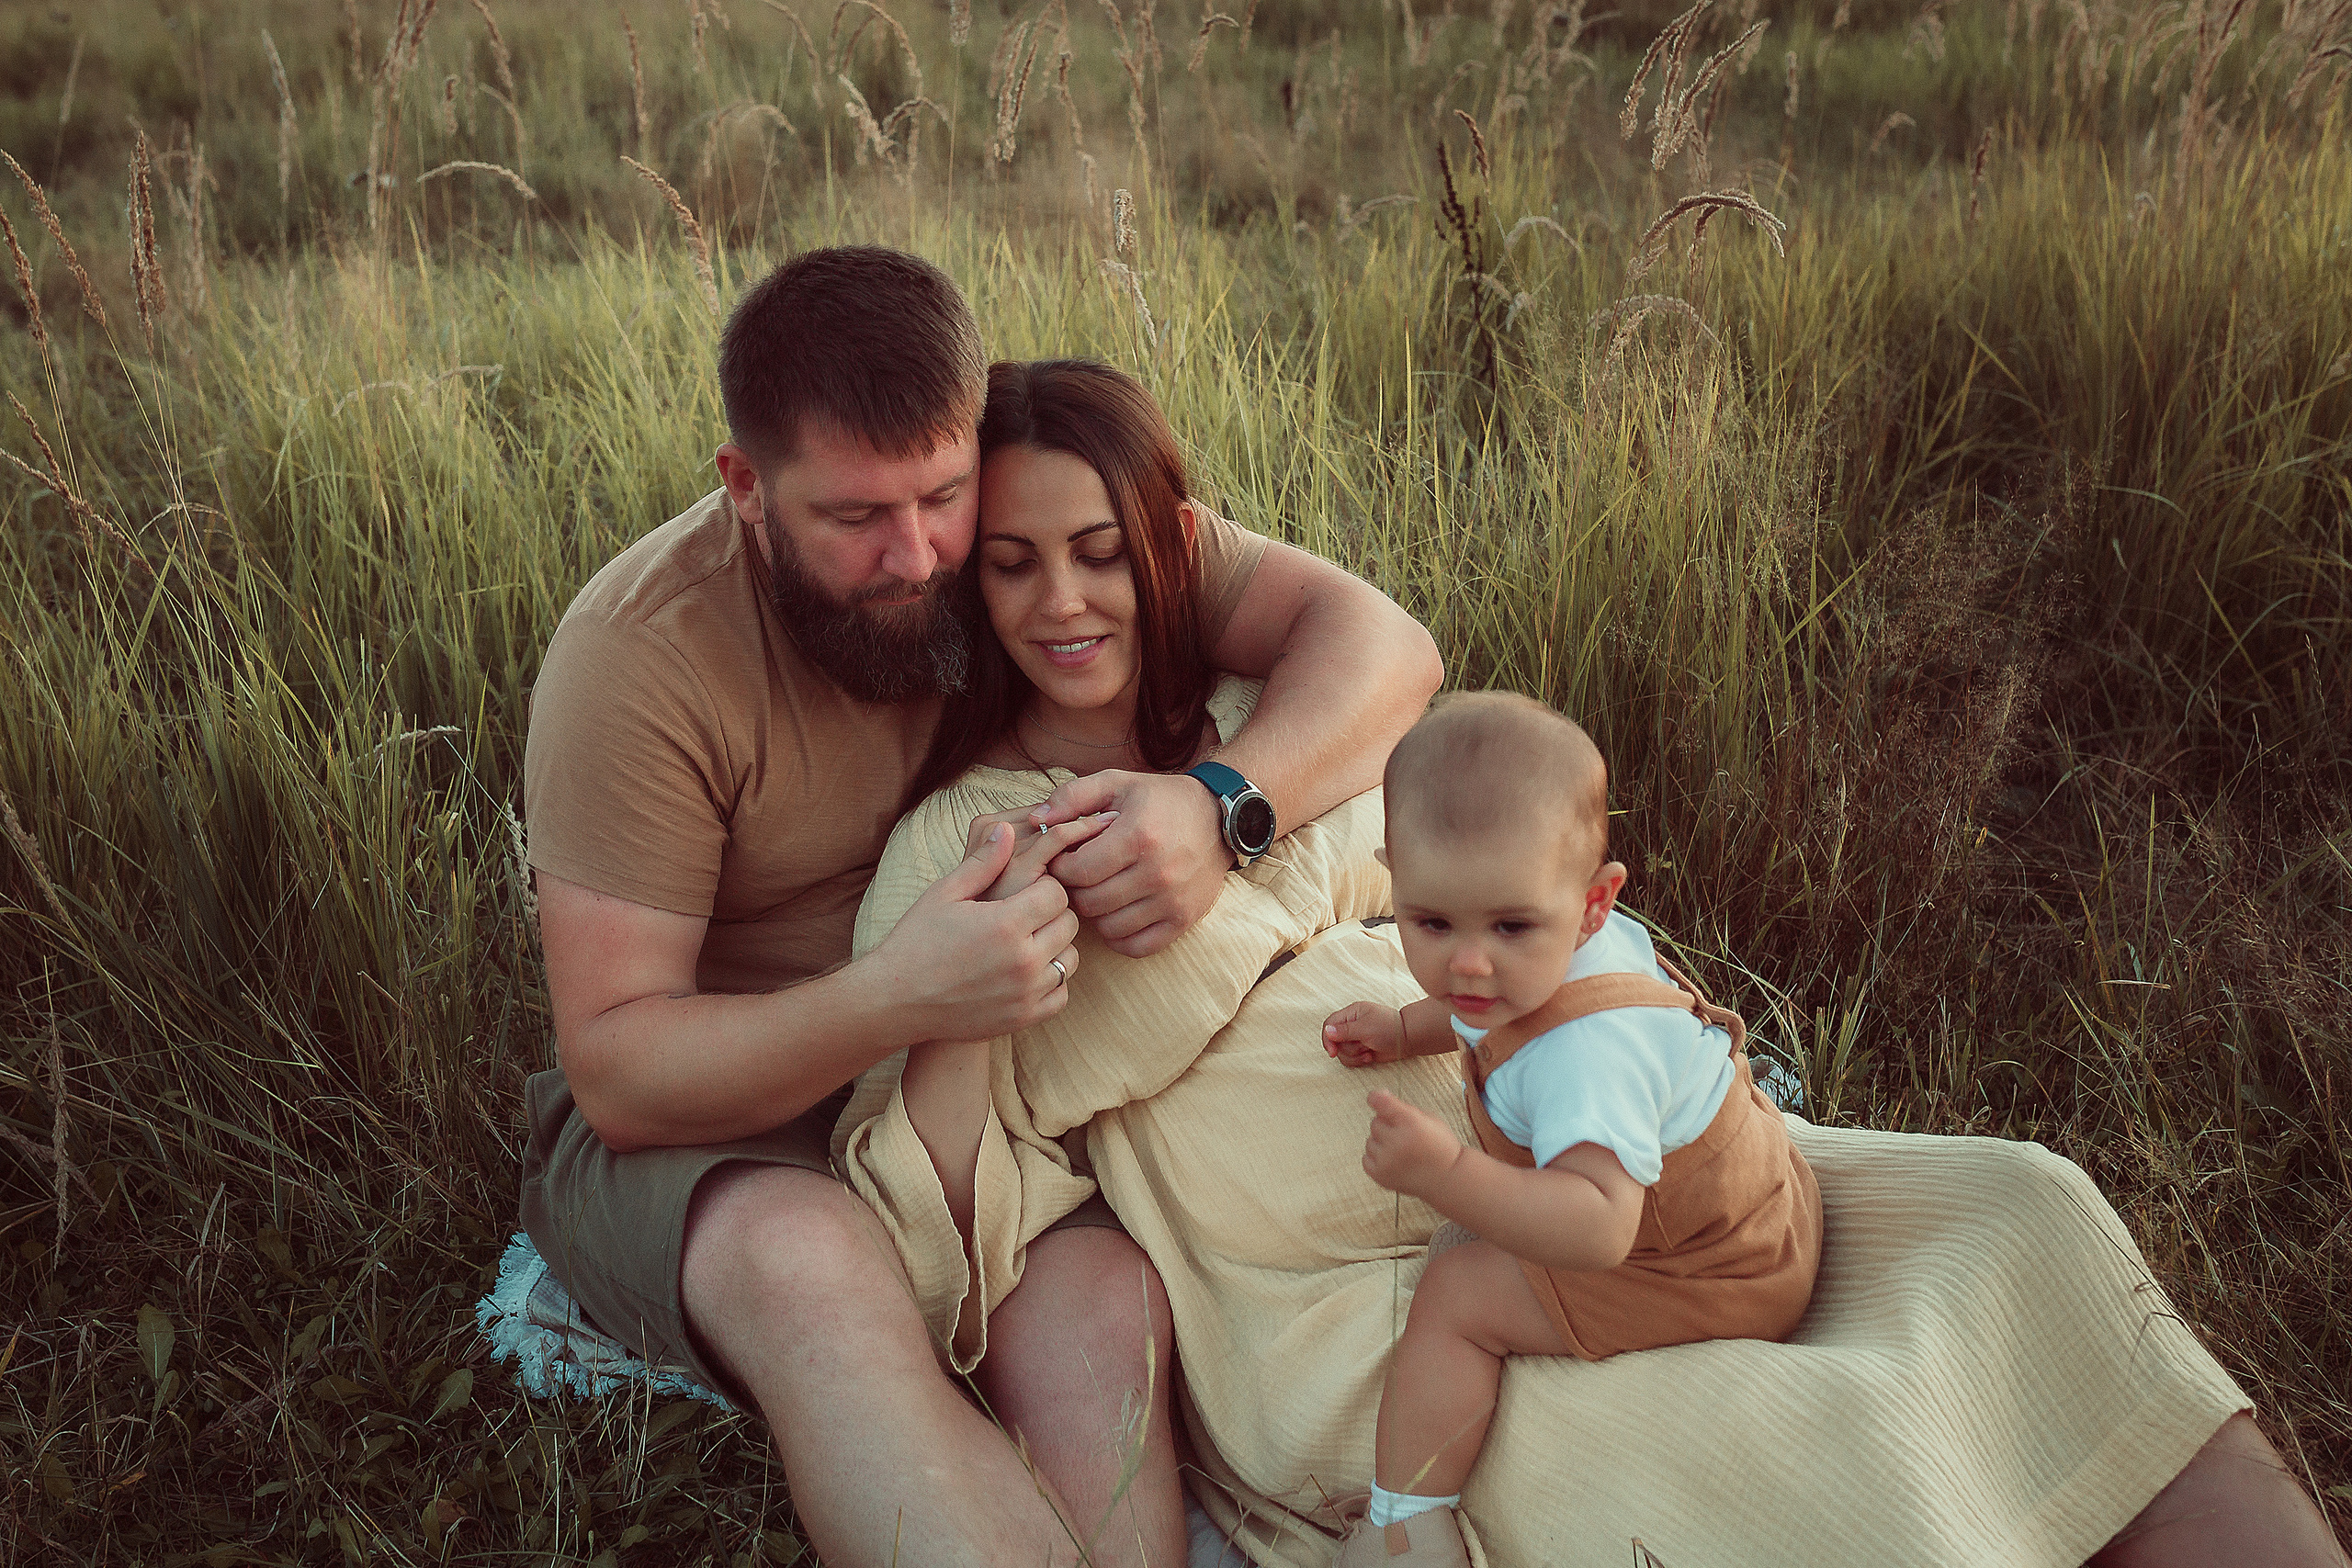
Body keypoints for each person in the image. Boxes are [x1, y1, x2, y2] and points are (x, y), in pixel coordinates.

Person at [840, 357, 2347, 1567]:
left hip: (1605, 1150)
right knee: (1767, 1432)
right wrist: (961, 1010)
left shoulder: (1263, 718)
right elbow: (946, 1229)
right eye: (1017, 565)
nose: (1062, 604)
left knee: (2019, 1211)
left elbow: (1488, 843)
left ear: (1172, 547)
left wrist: (1223, 808)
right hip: (1361, 1289)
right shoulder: (966, 841)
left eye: (1102, 554)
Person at [518, 248, 1443, 1568]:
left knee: (1102, 1308)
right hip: (731, 1117)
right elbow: (617, 1067)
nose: (917, 555)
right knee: (819, 1279)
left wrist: (1219, 801)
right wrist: (900, 994)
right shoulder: (640, 657)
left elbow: (1383, 641)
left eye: (941, 497)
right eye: (854, 517)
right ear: (745, 487)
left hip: (999, 1112)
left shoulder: (1014, 522)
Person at [1317, 694, 1822, 1567]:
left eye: (1510, 925)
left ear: (1595, 903)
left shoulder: (1587, 1058)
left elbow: (1599, 1227)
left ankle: (1408, 1523)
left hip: (1708, 1266)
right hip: (1742, 1201)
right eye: (1431, 922)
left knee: (1454, 1295)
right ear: (1393, 874)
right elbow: (1480, 1011)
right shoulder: (1534, 953)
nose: (1467, 963)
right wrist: (1406, 1028)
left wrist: (1445, 1172)